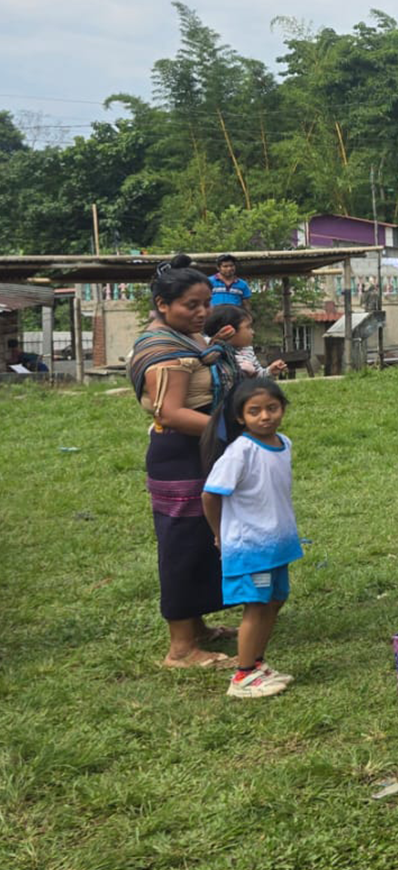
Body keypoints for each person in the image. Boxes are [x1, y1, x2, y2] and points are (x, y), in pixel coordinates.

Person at [128, 254, 238, 669]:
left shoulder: (186, 338)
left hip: (200, 451)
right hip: (180, 455)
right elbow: (170, 413)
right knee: (184, 546)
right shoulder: (164, 352)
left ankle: (198, 626)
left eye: (206, 303)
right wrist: (235, 432)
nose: (202, 312)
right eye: (191, 305)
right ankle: (181, 649)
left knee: (204, 540)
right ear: (162, 304)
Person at [200, 377, 301, 698]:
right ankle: (243, 676)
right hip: (250, 547)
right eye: (254, 411)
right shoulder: (239, 452)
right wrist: (220, 534)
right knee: (256, 606)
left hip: (277, 544)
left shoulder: (284, 443)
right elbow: (210, 495)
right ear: (240, 417)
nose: (265, 416)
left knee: (275, 600)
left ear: (283, 408)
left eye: (272, 408)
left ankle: (257, 664)